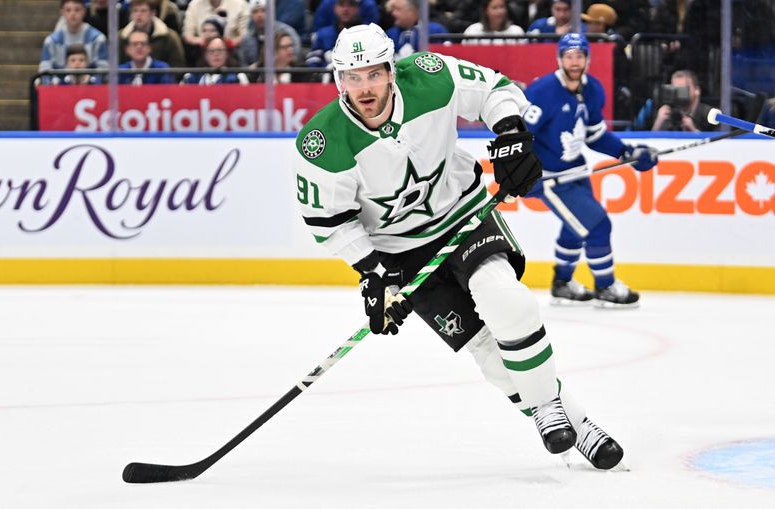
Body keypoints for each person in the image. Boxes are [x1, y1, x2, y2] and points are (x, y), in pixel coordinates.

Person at [292, 23, 625, 470]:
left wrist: (509, 134)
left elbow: (494, 90)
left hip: (464, 216)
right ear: (338, 81)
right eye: (353, 77)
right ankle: (579, 425)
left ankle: (548, 409)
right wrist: (373, 273)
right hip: (400, 252)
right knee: (485, 350)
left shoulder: (430, 75)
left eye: (373, 74)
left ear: (391, 71)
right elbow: (330, 221)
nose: (364, 88)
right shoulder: (321, 143)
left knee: (504, 297)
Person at [522, 33, 658, 307]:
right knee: (598, 225)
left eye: (580, 56)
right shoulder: (542, 91)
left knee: (575, 227)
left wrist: (626, 153)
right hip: (550, 177)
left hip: (577, 171)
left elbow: (595, 136)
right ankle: (605, 286)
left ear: (587, 59)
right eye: (569, 56)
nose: (574, 62)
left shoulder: (593, 89)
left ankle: (562, 283)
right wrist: (524, 174)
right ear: (559, 59)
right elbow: (519, 135)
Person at [39, 0, 108, 81]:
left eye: (77, 10)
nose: (72, 14)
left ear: (84, 11)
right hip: (59, 90)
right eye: (68, 10)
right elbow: (44, 72)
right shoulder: (51, 41)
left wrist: (91, 83)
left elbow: (104, 72)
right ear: (62, 13)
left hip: (91, 89)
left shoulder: (98, 39)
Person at [120, 0, 185, 68]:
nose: (138, 14)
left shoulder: (169, 37)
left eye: (143, 11)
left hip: (161, 77)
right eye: (135, 11)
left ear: (153, 13)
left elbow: (177, 66)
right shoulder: (122, 36)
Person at [238, 0, 301, 66]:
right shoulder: (247, 39)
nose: (259, 15)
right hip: (256, 74)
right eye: (255, 12)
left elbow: (295, 56)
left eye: (263, 11)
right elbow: (243, 65)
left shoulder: (286, 32)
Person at [651, 70, 718, 132]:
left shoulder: (710, 114)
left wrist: (693, 130)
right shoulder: (668, 113)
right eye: (675, 89)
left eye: (682, 89)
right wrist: (658, 122)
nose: (678, 93)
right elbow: (651, 141)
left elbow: (721, 142)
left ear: (696, 90)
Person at [306, 0, 362, 70]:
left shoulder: (367, 34)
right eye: (341, 4)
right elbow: (313, 60)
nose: (346, 9)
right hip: (328, 79)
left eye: (350, 5)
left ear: (357, 9)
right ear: (335, 8)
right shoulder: (322, 35)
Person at [247, 31, 314, 83]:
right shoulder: (259, 72)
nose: (290, 50)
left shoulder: (301, 72)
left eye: (291, 46)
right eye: (285, 47)